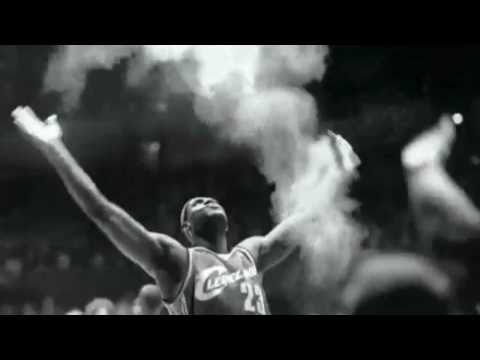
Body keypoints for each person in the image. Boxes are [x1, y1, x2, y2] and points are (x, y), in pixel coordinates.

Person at [12, 106, 359, 315]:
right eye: (193, 205)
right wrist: (53, 147)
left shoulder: (251, 253)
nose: (204, 200)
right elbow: (103, 212)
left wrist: (339, 172)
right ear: (187, 231)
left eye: (209, 199)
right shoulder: (177, 261)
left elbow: (307, 219)